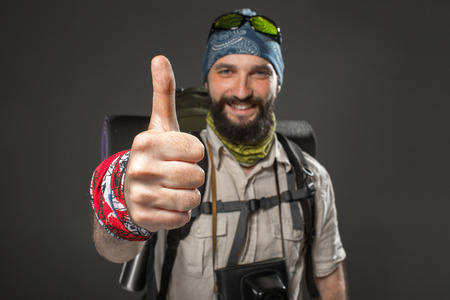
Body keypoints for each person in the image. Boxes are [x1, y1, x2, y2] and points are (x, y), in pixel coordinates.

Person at [90, 8, 347, 300]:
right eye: (226, 71)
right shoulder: (173, 166)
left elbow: (328, 274)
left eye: (260, 73)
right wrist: (124, 203)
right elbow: (112, 250)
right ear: (207, 82)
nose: (241, 90)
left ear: (279, 83)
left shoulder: (312, 177)